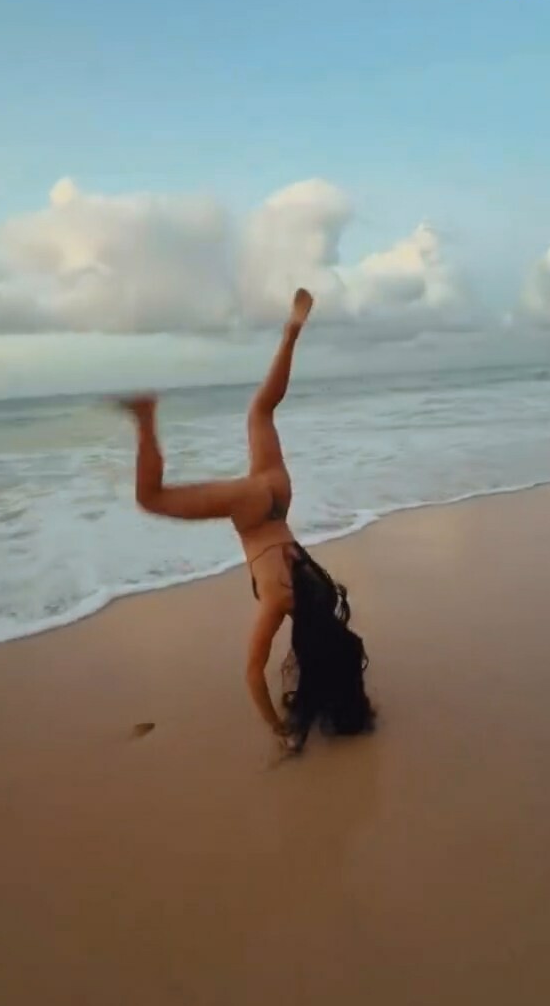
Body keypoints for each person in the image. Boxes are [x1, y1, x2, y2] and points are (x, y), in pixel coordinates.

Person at [120, 289, 375, 756]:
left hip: (277, 495)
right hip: (253, 513)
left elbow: (314, 638)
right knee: (150, 499)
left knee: (260, 410)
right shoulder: (280, 600)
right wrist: (280, 729)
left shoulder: (321, 591)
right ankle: (145, 416)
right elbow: (253, 674)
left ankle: (290, 335)